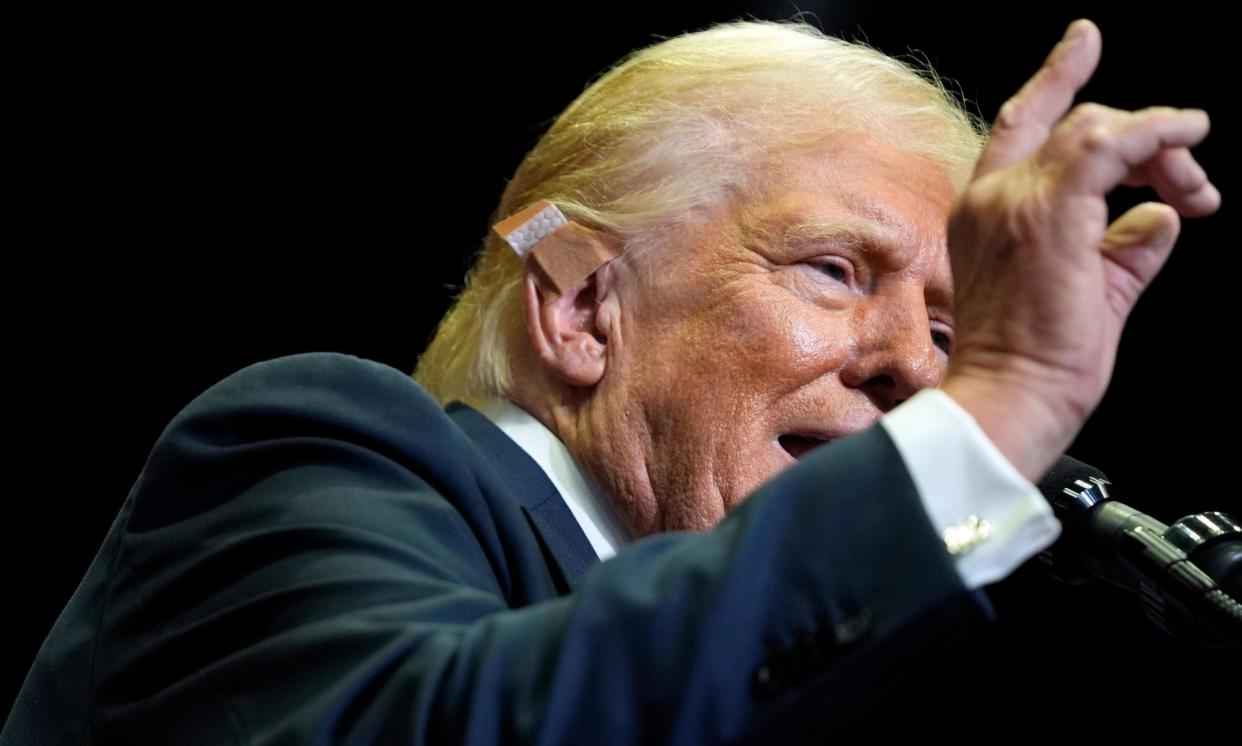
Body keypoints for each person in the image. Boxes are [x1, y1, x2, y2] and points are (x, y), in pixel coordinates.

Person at [2, 18, 1217, 745]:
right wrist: (1002, 400)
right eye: (839, 269)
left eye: (954, 331)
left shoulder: (774, 679)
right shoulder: (310, 442)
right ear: (580, 303)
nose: (914, 363)